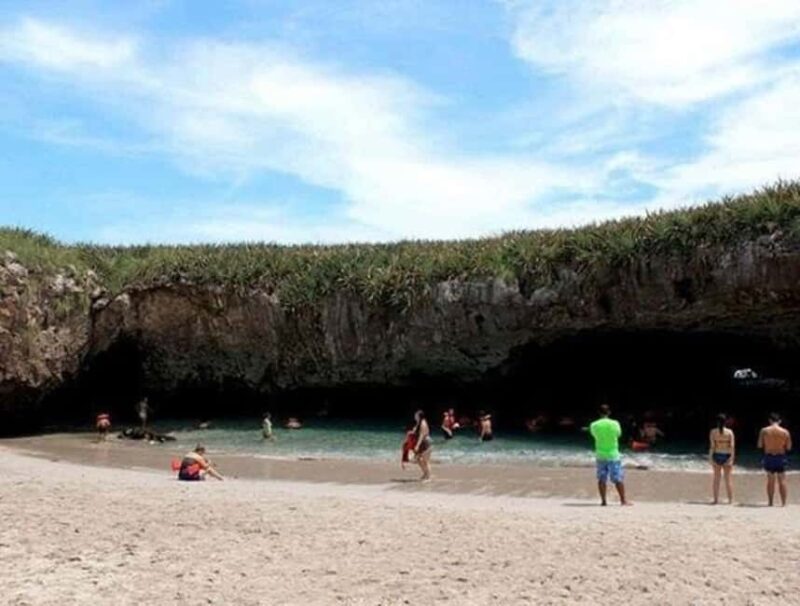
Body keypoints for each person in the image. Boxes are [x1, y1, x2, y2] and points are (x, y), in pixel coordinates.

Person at [589, 404, 630, 506]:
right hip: (613, 454)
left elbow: (594, 435)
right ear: (609, 412)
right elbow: (618, 434)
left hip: (600, 455)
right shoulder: (615, 423)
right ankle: (623, 500)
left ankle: (603, 501)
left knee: (601, 479)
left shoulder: (594, 424)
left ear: (599, 413)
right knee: (618, 478)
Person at [757, 413, 792, 506]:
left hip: (769, 457)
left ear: (770, 420)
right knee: (782, 481)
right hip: (780, 457)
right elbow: (788, 447)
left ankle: (770, 502)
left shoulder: (764, 431)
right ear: (779, 421)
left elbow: (759, 445)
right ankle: (783, 503)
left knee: (770, 481)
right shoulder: (785, 432)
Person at [709, 413, 735, 505]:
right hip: (727, 455)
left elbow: (712, 446)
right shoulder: (730, 432)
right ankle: (730, 500)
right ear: (726, 422)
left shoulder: (713, 432)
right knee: (728, 479)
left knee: (716, 479)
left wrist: (710, 458)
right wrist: (731, 458)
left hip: (716, 455)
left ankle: (716, 500)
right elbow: (732, 446)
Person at [412, 410, 432, 481]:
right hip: (422, 443)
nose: (414, 416)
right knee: (418, 459)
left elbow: (421, 435)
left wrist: (417, 445)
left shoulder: (423, 423)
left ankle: (429, 477)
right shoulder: (419, 423)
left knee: (426, 461)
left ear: (419, 416)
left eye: (416, 415)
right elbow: (416, 432)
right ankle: (425, 473)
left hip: (426, 443)